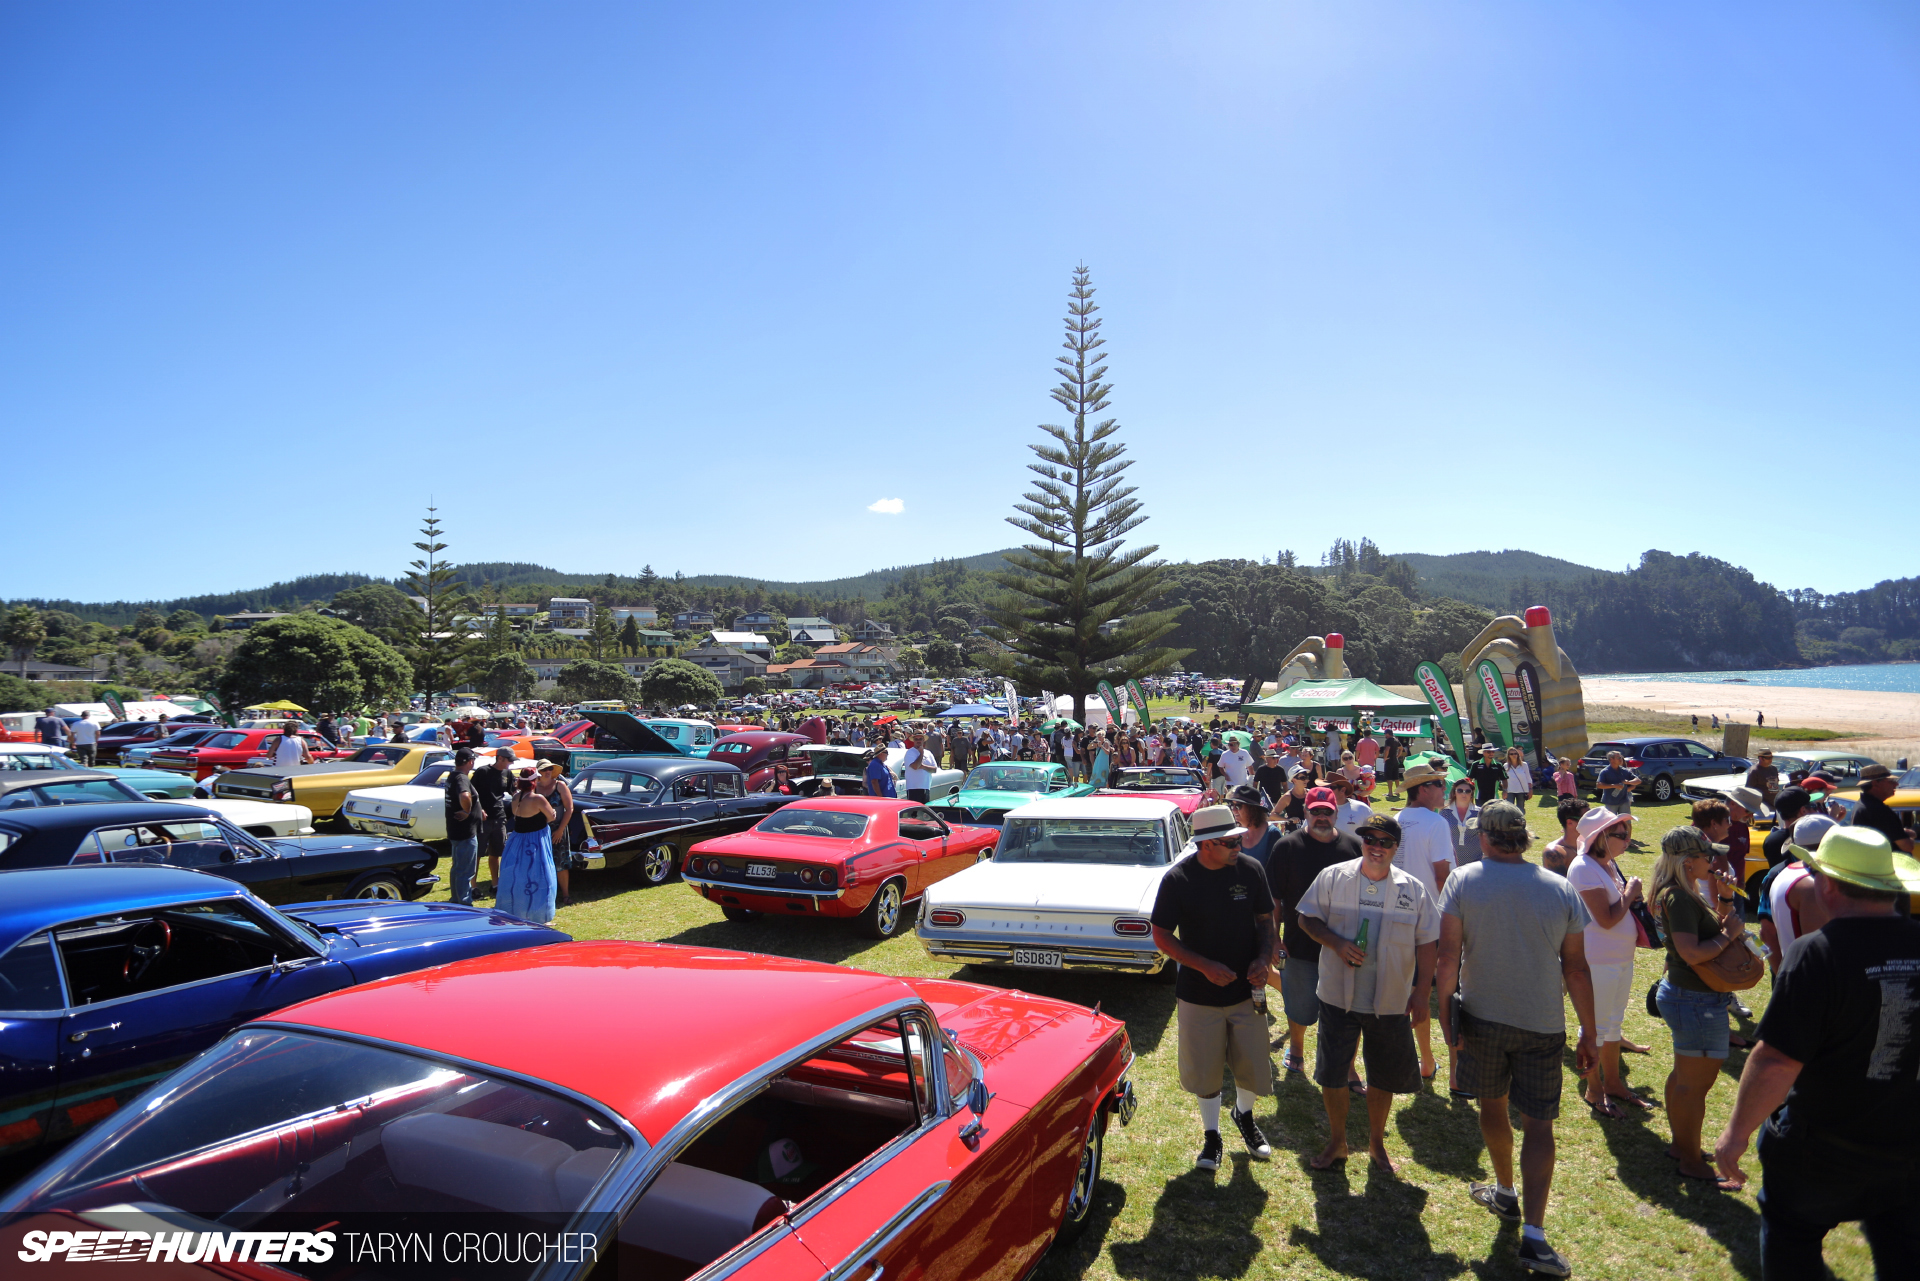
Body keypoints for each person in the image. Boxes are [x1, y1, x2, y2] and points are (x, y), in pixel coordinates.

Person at [1712, 826, 1920, 1277]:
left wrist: (1735, 1135)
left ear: (1826, 883)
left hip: (1821, 1148)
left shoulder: (1817, 953)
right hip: (1905, 1144)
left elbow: (1775, 1060)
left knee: (1792, 1243)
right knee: (1904, 1251)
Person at [1435, 801, 1597, 1278]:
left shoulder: (1463, 881)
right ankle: (1535, 1234)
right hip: (1543, 1024)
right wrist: (1590, 1030)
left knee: (1491, 1108)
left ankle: (1505, 1190)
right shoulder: (1560, 888)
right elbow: (1577, 968)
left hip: (1482, 1019)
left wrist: (1448, 1020)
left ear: (1484, 837)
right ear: (1524, 838)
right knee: (1539, 1126)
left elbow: (1448, 960)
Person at [1294, 812, 1439, 1172]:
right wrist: (1336, 943)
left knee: (1383, 1075)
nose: (1376, 847)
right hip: (1336, 996)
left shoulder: (1413, 889)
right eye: (1369, 840)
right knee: (1332, 1073)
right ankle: (1338, 1142)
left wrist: (1422, 994)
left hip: (1390, 1000)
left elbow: (1428, 943)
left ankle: (1376, 1143)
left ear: (1395, 847)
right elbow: (1305, 918)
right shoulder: (1333, 877)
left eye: (1384, 841)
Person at [1149, 804, 1277, 1170]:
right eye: (1230, 842)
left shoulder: (1251, 870)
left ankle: (1245, 1116)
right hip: (1198, 994)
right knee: (1205, 1071)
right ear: (1206, 845)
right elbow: (1160, 933)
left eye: (1238, 840)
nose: (1239, 847)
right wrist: (1202, 966)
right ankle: (1212, 1135)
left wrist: (1262, 959)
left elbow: (1266, 921)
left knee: (1252, 1065)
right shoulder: (1178, 880)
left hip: (1247, 992)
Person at [1650, 826, 1747, 1188]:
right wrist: (1728, 936)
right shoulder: (1679, 897)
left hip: (1688, 996)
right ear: (1688, 862)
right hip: (1695, 999)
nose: (1713, 861)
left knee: (1683, 1079)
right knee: (1694, 1086)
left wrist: (1723, 900)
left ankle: (1682, 1146)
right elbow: (1692, 953)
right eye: (1707, 856)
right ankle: (1690, 1159)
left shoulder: (1678, 892)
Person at [1264, 787, 1363, 1085]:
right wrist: (1274, 938)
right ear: (1305, 812)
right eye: (1315, 811)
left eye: (1327, 811)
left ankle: (1346, 1065)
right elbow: (1274, 899)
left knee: (1348, 1009)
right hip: (1298, 943)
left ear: (1336, 813)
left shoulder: (1354, 848)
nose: (1321, 816)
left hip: (1344, 945)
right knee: (1300, 1003)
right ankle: (1296, 1048)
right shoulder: (1287, 847)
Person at [1566, 808, 1649, 1119]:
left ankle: (1613, 1083)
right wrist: (1629, 895)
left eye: (1627, 832)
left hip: (1618, 958)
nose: (1628, 839)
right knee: (1596, 1028)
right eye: (1621, 833)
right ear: (1601, 837)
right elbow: (1606, 919)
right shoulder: (1584, 868)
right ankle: (1594, 1089)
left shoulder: (1607, 864)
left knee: (1613, 1024)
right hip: (1596, 961)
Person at [497, 765, 559, 925]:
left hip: (517, 841)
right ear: (533, 782)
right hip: (535, 842)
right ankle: (540, 917)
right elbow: (551, 817)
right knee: (541, 877)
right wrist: (554, 813)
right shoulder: (538, 798)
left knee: (518, 878)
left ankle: (516, 913)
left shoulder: (516, 797)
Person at [535, 759, 575, 907]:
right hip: (539, 830)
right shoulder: (534, 787)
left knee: (561, 863)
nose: (547, 772)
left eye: (550, 769)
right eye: (544, 769)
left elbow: (569, 809)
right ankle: (543, 893)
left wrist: (560, 830)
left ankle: (565, 894)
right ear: (538, 771)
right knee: (540, 862)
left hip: (558, 829)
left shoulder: (560, 786)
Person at [474, 746, 516, 891]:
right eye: (508, 760)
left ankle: (495, 884)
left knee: (496, 853)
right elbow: (472, 794)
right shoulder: (482, 771)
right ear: (499, 758)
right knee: (477, 854)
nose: (510, 763)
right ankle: (473, 886)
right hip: (482, 819)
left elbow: (514, 792)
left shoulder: (507, 773)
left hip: (500, 818)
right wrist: (479, 810)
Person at [1851, 764, 1914, 853]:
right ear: (1875, 783)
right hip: (1888, 864)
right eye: (1890, 781)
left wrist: (1903, 833)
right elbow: (1907, 846)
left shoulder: (1862, 805)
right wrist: (1910, 837)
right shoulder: (1878, 810)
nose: (1896, 784)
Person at [444, 749, 480, 906]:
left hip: (455, 830)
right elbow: (465, 796)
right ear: (470, 761)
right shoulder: (461, 778)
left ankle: (455, 900)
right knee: (465, 871)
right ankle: (464, 904)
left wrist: (479, 810)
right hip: (465, 832)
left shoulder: (452, 776)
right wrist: (467, 811)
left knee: (457, 868)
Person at [1540, 797, 1590, 876]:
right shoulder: (1555, 852)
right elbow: (1558, 886)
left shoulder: (1593, 845)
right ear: (1570, 822)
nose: (1592, 822)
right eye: (1587, 818)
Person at [1440, 778, 1481, 870]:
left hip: (1475, 861)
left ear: (1471, 794)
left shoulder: (1480, 813)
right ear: (1454, 793)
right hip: (1451, 861)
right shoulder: (1444, 812)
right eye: (1460, 790)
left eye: (1467, 791)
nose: (1464, 793)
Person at [1595, 750, 1639, 816]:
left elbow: (1638, 780)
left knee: (1626, 822)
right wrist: (1614, 786)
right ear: (1611, 759)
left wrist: (1629, 782)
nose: (1621, 759)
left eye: (1621, 757)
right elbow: (1599, 785)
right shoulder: (1605, 772)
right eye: (1618, 758)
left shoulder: (1624, 771)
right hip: (1610, 802)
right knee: (1611, 822)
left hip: (1624, 801)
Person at [1330, 773, 1370, 838]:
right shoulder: (1317, 810)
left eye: (1331, 787)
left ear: (1343, 790)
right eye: (1324, 787)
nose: (1327, 790)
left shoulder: (1361, 808)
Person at [901, 734, 937, 803]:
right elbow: (915, 766)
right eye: (916, 739)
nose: (918, 741)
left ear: (923, 740)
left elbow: (934, 769)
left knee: (924, 812)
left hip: (926, 786)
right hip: (913, 788)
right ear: (913, 741)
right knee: (914, 812)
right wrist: (921, 754)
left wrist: (923, 766)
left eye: (920, 739)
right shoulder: (910, 752)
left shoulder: (928, 753)